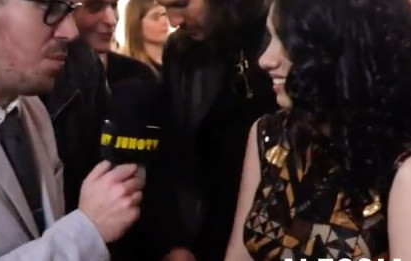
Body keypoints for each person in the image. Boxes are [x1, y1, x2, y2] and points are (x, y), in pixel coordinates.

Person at [225, 0, 411, 259]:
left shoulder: (401, 168)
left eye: (288, 43)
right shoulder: (270, 135)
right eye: (270, 38)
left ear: (338, 50)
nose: (264, 60)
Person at [0, 0, 144, 259]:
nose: (70, 32)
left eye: (69, 10)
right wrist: (87, 230)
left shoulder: (34, 111)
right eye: (50, 8)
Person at [153, 0, 278, 259]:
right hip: (206, 230)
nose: (174, 21)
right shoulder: (181, 52)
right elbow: (172, 151)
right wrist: (175, 239)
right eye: (165, 8)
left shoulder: (276, 36)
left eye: (182, 4)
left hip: (277, 225)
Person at [120, 0, 170, 75]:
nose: (164, 21)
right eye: (155, 17)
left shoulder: (176, 61)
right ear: (137, 25)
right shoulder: (130, 69)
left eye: (164, 15)